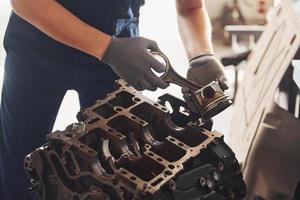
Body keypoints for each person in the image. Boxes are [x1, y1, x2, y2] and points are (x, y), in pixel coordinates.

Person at [0, 0, 227, 199]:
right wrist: (107, 49)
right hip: (38, 47)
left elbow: (190, 7)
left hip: (118, 55)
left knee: (119, 171)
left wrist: (202, 55)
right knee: (18, 168)